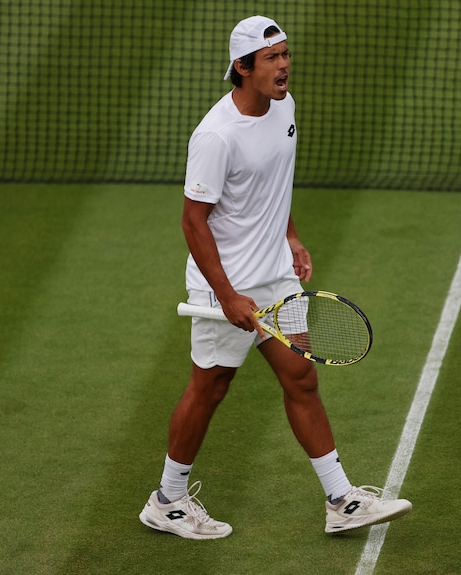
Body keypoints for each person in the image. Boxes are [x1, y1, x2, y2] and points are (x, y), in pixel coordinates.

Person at [139, 15, 412, 540]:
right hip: (228, 284)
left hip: (275, 276)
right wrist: (227, 295)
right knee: (210, 387)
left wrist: (289, 235)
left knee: (301, 378)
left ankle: (341, 501)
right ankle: (168, 500)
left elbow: (272, 184)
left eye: (286, 54)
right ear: (243, 68)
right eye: (272, 58)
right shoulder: (215, 136)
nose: (285, 65)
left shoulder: (284, 106)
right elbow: (192, 221)